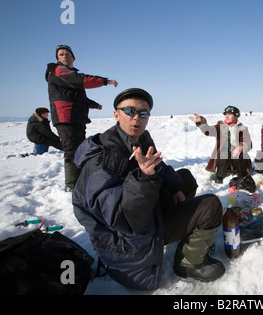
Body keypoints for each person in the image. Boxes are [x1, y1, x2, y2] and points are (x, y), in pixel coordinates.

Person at [72, 88, 225, 290]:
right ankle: (190, 263)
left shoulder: (138, 138)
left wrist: (175, 187)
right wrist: (144, 178)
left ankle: (179, 221)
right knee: (210, 205)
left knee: (184, 178)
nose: (137, 118)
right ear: (116, 114)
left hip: (139, 212)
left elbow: (157, 165)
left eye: (143, 113)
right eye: (130, 111)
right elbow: (124, 220)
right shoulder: (106, 160)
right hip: (124, 243)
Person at [45, 44, 118, 191]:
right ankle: (72, 187)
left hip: (76, 117)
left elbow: (77, 97)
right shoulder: (56, 71)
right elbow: (81, 80)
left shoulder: (68, 75)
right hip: (66, 117)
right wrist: (105, 81)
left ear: (73, 57)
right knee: (71, 150)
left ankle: (79, 180)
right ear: (57, 59)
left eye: (67, 54)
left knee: (79, 149)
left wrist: (94, 105)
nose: (64, 56)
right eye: (61, 54)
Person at [189, 106, 253, 184]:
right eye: (226, 114)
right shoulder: (220, 126)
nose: (227, 116)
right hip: (224, 155)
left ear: (236, 116)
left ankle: (242, 176)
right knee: (223, 153)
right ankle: (220, 175)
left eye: (230, 114)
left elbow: (248, 143)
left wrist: (241, 147)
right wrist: (201, 122)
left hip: (236, 155)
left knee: (239, 154)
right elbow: (208, 131)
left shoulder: (243, 128)